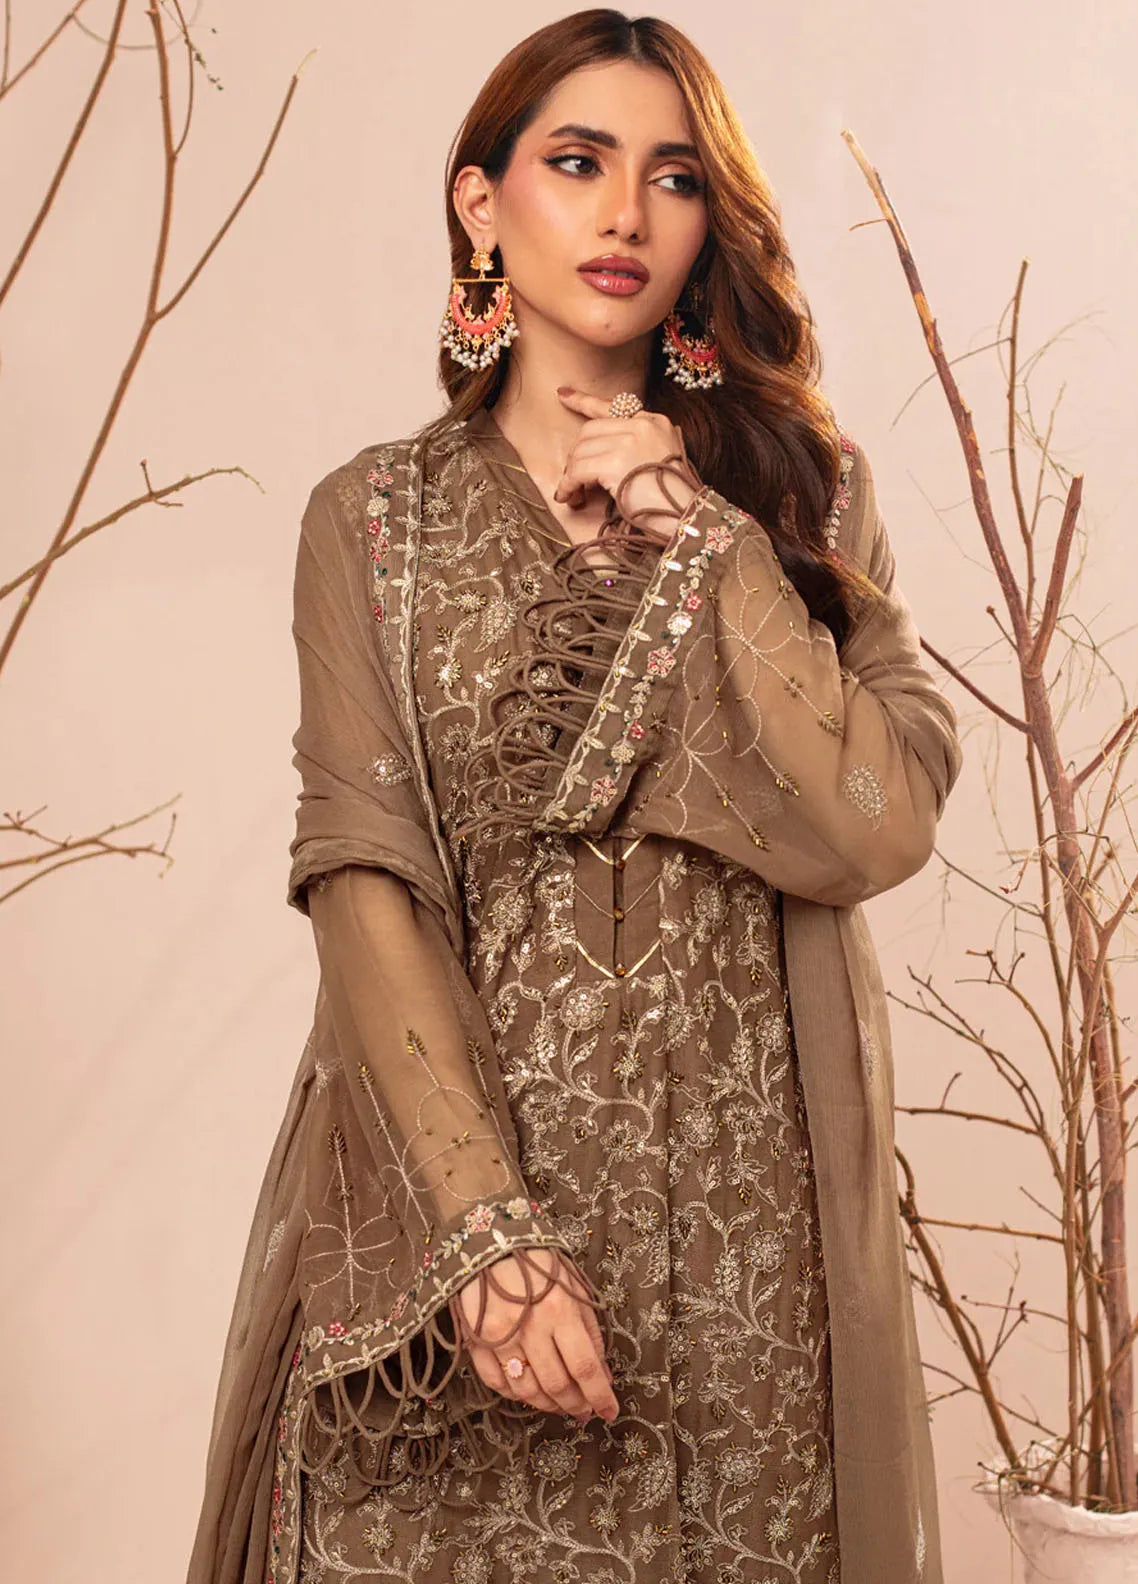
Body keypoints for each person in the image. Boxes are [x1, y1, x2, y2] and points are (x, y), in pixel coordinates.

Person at [185, 11, 963, 1583]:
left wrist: (699, 533)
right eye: (578, 162)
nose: (626, 214)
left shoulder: (799, 500)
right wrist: (488, 1242)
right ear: (481, 203)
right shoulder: (376, 522)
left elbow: (874, 822)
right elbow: (366, 877)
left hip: (748, 1247)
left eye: (672, 176)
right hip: (460, 1231)